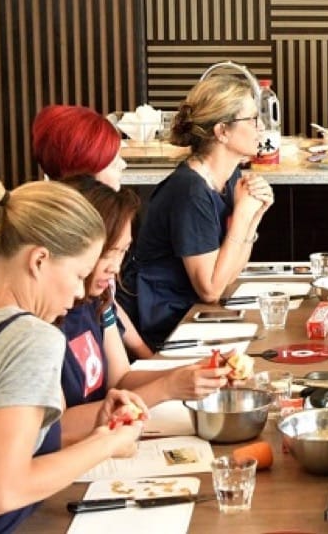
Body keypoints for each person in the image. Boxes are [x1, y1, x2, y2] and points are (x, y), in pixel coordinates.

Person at [0, 178, 144, 532]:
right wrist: (109, 444)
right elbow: (2, 491)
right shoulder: (33, 338)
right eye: (79, 274)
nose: (80, 291)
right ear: (38, 260)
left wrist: (96, 432)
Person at [58, 177, 229, 446]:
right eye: (108, 253)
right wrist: (167, 388)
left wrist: (194, 372)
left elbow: (121, 379)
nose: (115, 266)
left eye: (123, 252)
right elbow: (58, 428)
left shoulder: (98, 299)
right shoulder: (48, 314)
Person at [119, 75, 274, 350]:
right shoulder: (189, 191)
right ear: (222, 131)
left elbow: (228, 275)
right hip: (166, 326)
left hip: (194, 316)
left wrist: (254, 216)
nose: (261, 127)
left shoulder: (228, 176)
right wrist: (241, 216)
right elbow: (211, 289)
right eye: (251, 119)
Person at [32, 103, 151, 358]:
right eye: (111, 160)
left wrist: (145, 353)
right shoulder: (61, 231)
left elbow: (108, 303)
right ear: (84, 167)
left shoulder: (105, 213)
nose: (123, 165)